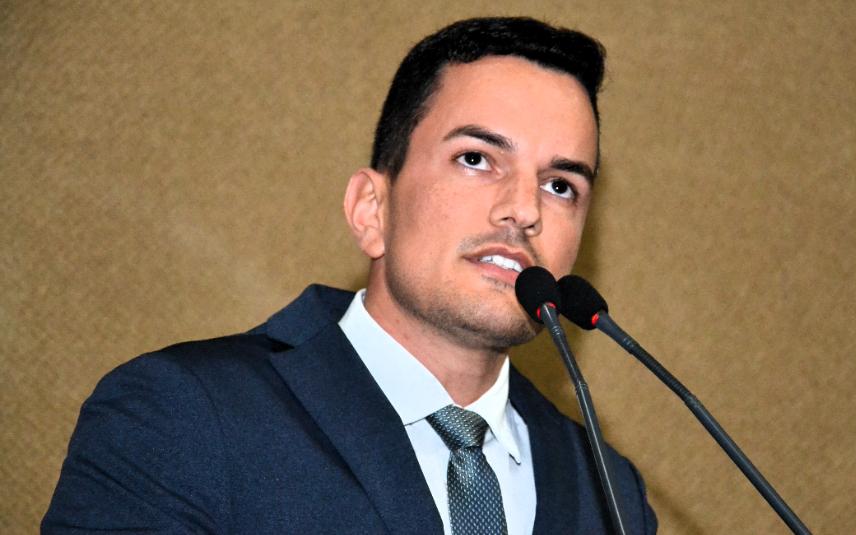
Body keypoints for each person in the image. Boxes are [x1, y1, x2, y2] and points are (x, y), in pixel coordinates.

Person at [43, 17, 657, 534]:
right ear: (371, 210)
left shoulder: (611, 492)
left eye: (560, 185)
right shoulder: (183, 416)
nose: (524, 210)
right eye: (476, 159)